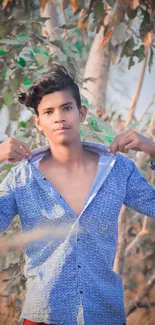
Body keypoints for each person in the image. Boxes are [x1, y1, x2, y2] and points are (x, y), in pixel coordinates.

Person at [0, 64, 155, 325]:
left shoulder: (117, 170)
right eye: (49, 111)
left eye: (67, 108)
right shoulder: (21, 179)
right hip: (43, 317)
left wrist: (154, 150)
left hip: (104, 315)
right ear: (38, 122)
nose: (59, 117)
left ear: (81, 113)